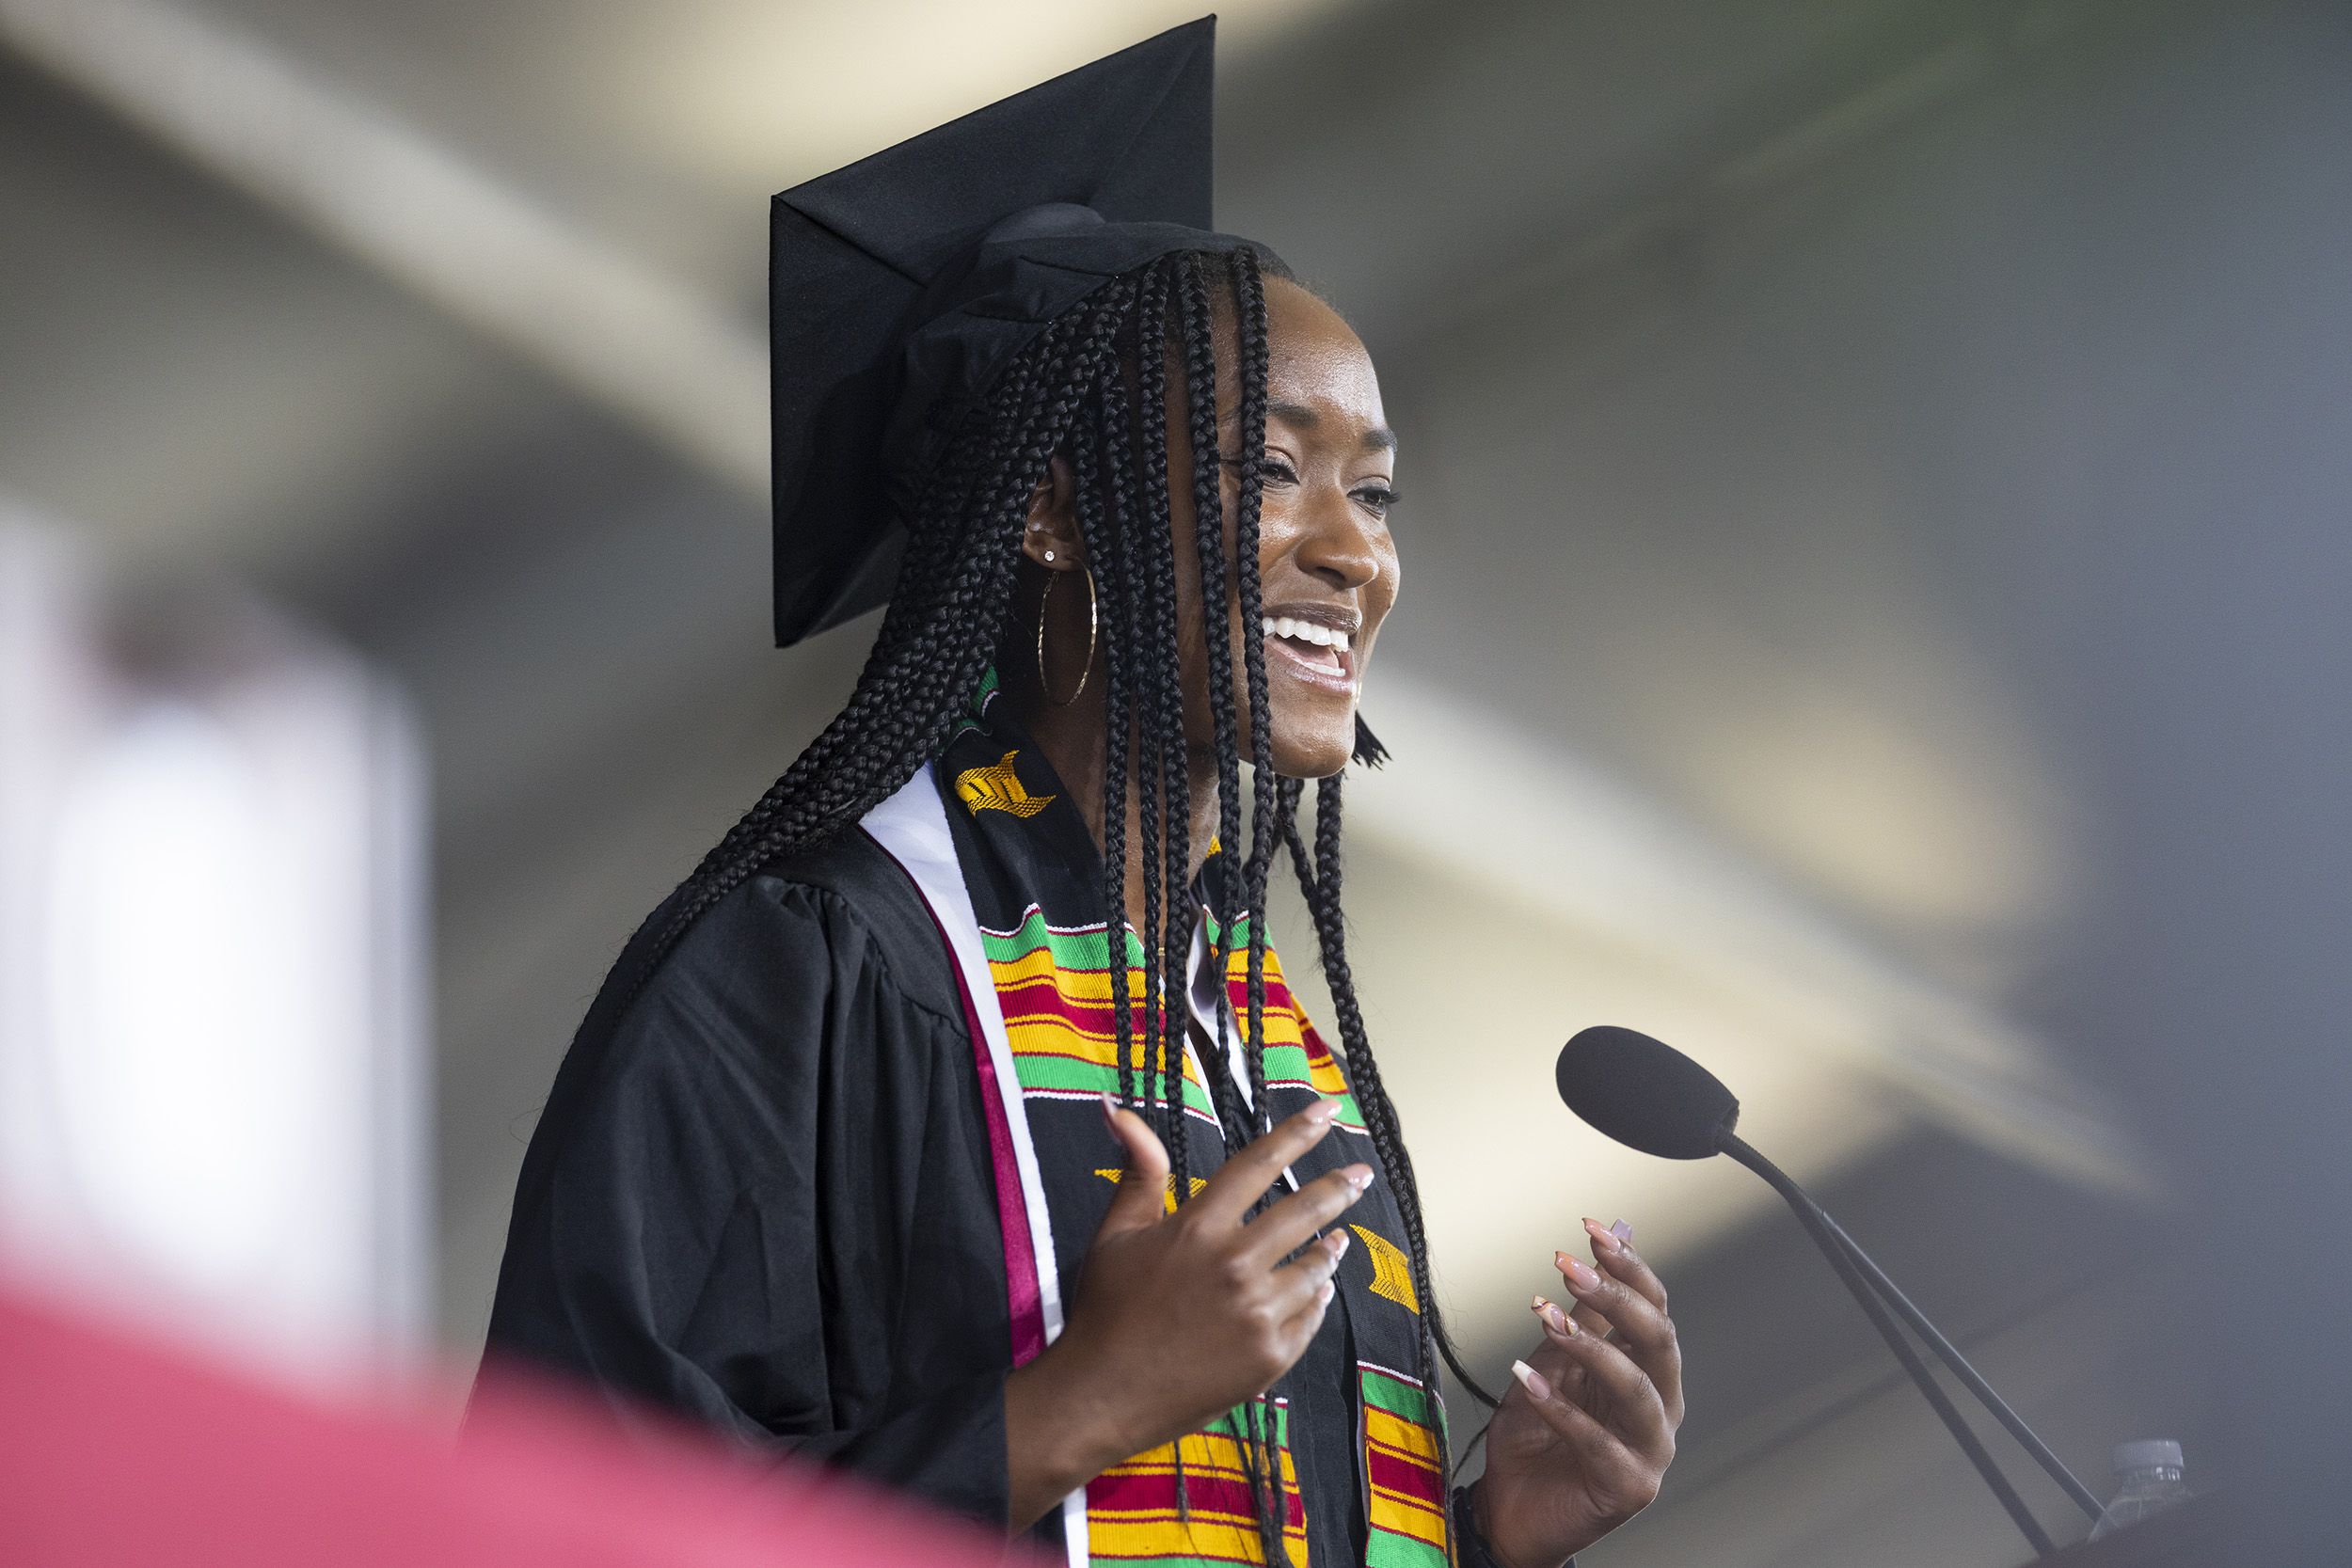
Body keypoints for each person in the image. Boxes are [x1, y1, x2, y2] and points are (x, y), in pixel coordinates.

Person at [483, 21, 1681, 1568]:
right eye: (1273, 469)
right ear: (1052, 508)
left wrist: (1488, 1530)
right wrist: (1084, 1401)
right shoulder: (805, 978)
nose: (1354, 553)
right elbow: (566, 1520)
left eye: (1372, 491)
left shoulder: (1266, 1064)